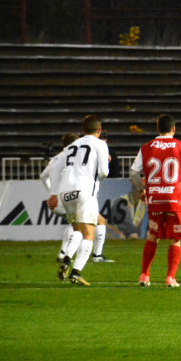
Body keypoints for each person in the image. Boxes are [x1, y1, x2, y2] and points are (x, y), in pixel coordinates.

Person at [130, 114, 181, 288]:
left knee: (153, 235)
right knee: (175, 238)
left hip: (155, 198)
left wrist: (141, 190)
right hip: (174, 199)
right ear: (173, 129)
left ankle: (144, 275)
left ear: (157, 129)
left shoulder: (146, 147)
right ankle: (170, 278)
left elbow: (133, 173)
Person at [45, 115, 111, 285]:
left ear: (82, 130)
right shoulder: (100, 144)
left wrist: (53, 194)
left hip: (66, 193)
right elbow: (104, 171)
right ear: (99, 130)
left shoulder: (70, 146)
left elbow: (56, 169)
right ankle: (75, 272)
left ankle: (67, 259)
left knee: (77, 231)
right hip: (84, 191)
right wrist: (96, 176)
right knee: (88, 233)